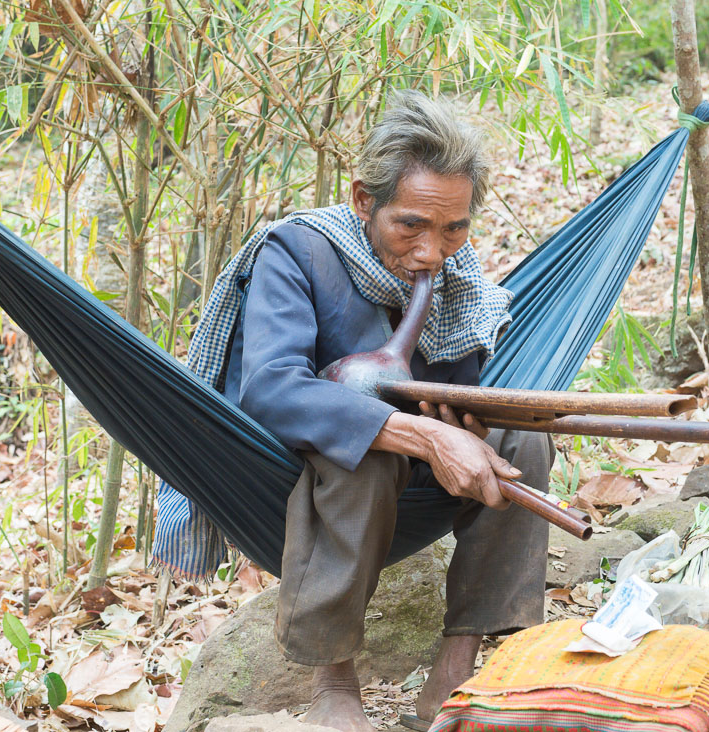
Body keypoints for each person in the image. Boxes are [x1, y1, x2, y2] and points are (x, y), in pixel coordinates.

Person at [163, 91, 554, 732]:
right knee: (364, 456)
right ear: (363, 200)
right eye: (412, 226)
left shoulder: (460, 280)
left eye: (454, 228)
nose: (432, 252)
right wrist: (421, 437)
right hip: (308, 468)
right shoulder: (297, 253)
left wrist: (463, 422)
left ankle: (458, 660)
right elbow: (271, 388)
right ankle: (333, 678)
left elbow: (457, 384)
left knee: (522, 443)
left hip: (420, 469)